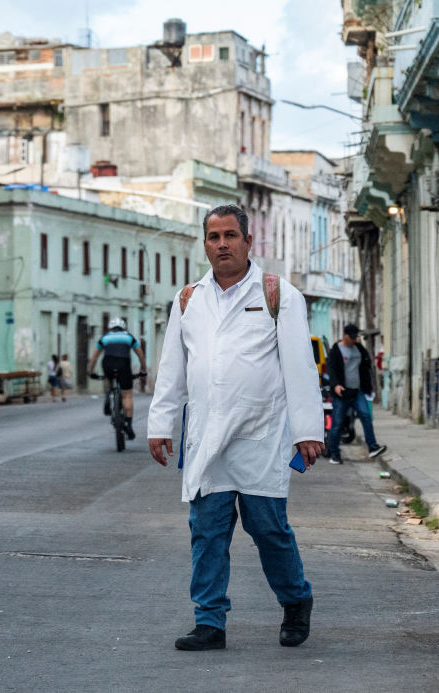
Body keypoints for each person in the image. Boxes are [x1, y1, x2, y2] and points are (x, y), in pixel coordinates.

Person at [148, 204, 324, 652]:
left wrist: (308, 430)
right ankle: (209, 621)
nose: (222, 244)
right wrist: (160, 423)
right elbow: (173, 368)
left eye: (230, 235)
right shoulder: (189, 298)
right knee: (207, 533)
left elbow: (300, 367)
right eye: (213, 237)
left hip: (260, 436)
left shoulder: (277, 294)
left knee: (269, 531)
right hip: (207, 439)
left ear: (248, 241)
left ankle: (295, 600)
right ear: (204, 244)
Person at [325, 324, 387, 464]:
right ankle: (334, 454)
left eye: (356, 338)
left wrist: (368, 386)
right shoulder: (336, 350)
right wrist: (335, 385)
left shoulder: (359, 349)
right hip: (342, 393)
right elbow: (331, 369)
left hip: (357, 391)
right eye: (352, 338)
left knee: (366, 416)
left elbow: (365, 367)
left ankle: (372, 447)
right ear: (345, 336)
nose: (354, 340)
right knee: (337, 424)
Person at [87, 318, 147, 439]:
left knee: (108, 379)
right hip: (124, 364)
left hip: (108, 363)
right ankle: (129, 425)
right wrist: (143, 369)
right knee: (127, 395)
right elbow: (140, 353)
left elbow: (94, 357)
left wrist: (90, 372)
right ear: (124, 327)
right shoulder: (129, 337)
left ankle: (108, 395)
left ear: (110, 327)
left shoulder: (105, 338)